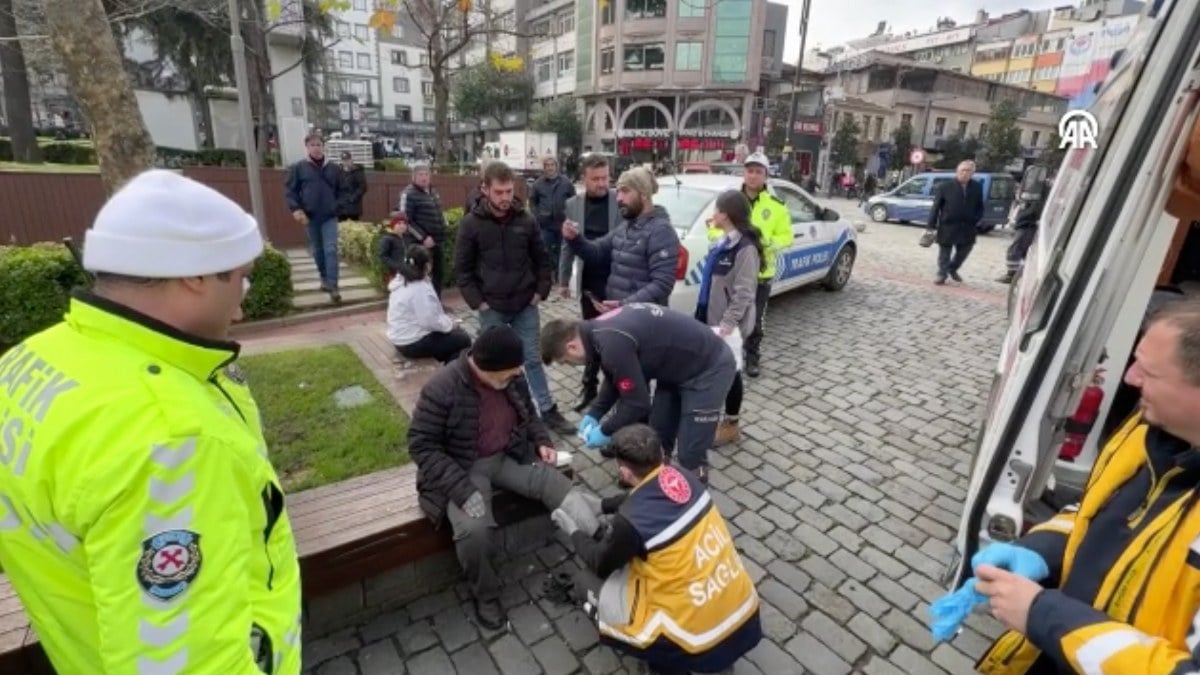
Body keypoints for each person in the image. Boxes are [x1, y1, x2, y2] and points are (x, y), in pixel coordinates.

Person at [0, 170, 302, 674]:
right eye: (242, 276)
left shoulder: (29, 361)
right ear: (195, 276)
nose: (244, 302)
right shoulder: (172, 439)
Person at [962, 298, 1200, 674]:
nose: (1130, 378)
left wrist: (1045, 616)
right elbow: (1098, 509)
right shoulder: (1148, 432)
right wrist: (1041, 551)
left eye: (1149, 373)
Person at [406, 326, 600, 630]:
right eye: (509, 374)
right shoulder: (442, 388)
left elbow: (530, 415)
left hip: (508, 455)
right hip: (463, 469)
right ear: (486, 369)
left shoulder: (511, 376)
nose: (517, 376)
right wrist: (460, 489)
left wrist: (541, 441)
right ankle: (485, 595)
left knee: (557, 484)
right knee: (474, 531)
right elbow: (421, 445)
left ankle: (600, 544)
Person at [552, 424, 761, 675]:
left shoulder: (629, 523)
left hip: (693, 636)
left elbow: (599, 561)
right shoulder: (684, 477)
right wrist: (604, 505)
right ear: (661, 455)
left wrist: (573, 530)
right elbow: (648, 495)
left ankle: (665, 663)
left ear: (625, 472)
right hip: (740, 609)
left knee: (585, 581)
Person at [540, 304, 738, 483]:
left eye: (565, 361)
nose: (570, 365)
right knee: (657, 437)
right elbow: (616, 375)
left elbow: (637, 404)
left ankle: (693, 504)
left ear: (571, 347)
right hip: (676, 368)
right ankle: (659, 487)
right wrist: (595, 412)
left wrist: (605, 431)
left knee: (690, 453)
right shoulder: (596, 331)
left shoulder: (611, 341)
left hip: (709, 369)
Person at [455, 161, 574, 434]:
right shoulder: (471, 224)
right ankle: (493, 415)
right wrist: (478, 302)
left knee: (532, 359)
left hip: (524, 304)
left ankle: (547, 411)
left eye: (509, 191)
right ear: (485, 189)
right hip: (491, 306)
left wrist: (539, 292)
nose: (505, 198)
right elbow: (462, 269)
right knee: (492, 362)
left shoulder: (526, 220)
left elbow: (542, 260)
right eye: (499, 192)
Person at [562, 166, 680, 310]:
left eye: (625, 191)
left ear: (643, 194)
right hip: (620, 317)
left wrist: (623, 305)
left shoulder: (661, 231)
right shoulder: (625, 227)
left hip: (644, 321)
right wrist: (575, 238)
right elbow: (596, 251)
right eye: (617, 192)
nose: (618, 198)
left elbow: (662, 284)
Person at [697, 191, 763, 446]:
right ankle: (711, 416)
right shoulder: (725, 241)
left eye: (716, 210)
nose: (713, 214)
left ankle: (731, 423)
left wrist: (728, 323)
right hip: (708, 315)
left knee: (732, 371)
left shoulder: (745, 249)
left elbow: (745, 293)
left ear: (726, 214)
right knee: (713, 368)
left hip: (728, 324)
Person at [559, 153, 622, 412]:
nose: (601, 183)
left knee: (616, 337)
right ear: (583, 178)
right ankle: (589, 385)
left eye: (605, 177)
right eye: (595, 178)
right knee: (590, 333)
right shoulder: (573, 204)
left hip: (617, 278)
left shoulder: (619, 200)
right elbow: (568, 243)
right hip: (589, 279)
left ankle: (616, 387)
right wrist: (563, 280)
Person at [739, 152, 794, 378]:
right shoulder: (731, 200)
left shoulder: (777, 207)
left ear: (765, 176)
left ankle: (752, 357)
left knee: (756, 319)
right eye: (749, 171)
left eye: (758, 172)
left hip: (761, 273)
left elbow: (787, 237)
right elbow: (714, 228)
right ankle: (725, 356)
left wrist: (767, 242)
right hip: (733, 270)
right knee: (729, 316)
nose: (753, 176)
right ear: (744, 173)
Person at [387, 244, 472, 364]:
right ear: (427, 266)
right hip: (411, 343)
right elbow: (429, 321)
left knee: (454, 337)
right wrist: (450, 324)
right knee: (463, 340)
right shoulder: (419, 288)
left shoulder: (401, 280)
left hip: (400, 337)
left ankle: (449, 369)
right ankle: (452, 376)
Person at [285, 132, 343, 302]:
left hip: (329, 216)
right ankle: (324, 279)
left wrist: (337, 206)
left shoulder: (334, 168)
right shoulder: (298, 168)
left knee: (331, 249)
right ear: (307, 147)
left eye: (319, 144)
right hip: (309, 217)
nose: (316, 148)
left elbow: (343, 191)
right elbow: (290, 190)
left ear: (323, 146)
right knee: (318, 251)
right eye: (312, 145)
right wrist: (295, 208)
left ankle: (333, 285)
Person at [925, 160, 985, 285]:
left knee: (964, 251)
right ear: (957, 172)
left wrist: (977, 218)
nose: (965, 173)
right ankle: (942, 274)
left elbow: (980, 206)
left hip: (968, 226)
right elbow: (936, 207)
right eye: (962, 170)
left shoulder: (977, 187)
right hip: (948, 225)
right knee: (944, 252)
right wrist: (930, 225)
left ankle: (952, 268)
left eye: (968, 171)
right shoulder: (945, 187)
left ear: (972, 173)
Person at [400, 162, 449, 297]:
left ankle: (436, 304)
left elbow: (439, 211)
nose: (424, 177)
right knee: (421, 275)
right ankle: (422, 305)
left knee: (438, 274)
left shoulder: (433, 191)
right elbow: (405, 221)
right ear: (413, 177)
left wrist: (445, 224)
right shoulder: (408, 194)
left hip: (438, 241)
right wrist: (423, 237)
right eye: (420, 174)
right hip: (421, 244)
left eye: (426, 174)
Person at [530, 155, 575, 284]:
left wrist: (570, 215)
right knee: (545, 250)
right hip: (545, 223)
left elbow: (573, 199)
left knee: (563, 250)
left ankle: (560, 275)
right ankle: (548, 274)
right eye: (547, 165)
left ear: (556, 166)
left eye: (552, 165)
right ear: (544, 167)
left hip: (562, 222)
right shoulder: (538, 184)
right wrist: (537, 215)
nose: (550, 168)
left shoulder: (566, 182)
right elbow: (533, 201)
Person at [998, 176, 1052, 284]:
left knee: (1015, 250)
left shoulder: (1037, 195)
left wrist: (1023, 220)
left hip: (1027, 225)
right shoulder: (1031, 194)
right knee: (1021, 251)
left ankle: (1012, 274)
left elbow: (1031, 211)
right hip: (1024, 224)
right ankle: (1017, 274)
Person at [336, 150, 368, 222]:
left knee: (354, 226)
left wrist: (353, 198)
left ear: (351, 160)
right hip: (341, 206)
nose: (346, 162)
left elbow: (363, 187)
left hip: (353, 206)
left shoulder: (358, 172)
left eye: (347, 160)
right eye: (344, 160)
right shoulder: (338, 172)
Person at [378, 215, 408, 286]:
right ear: (393, 225)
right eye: (399, 223)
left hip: (408, 272)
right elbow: (383, 256)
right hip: (395, 273)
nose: (402, 226)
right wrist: (396, 266)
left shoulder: (407, 239)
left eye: (404, 223)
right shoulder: (387, 239)